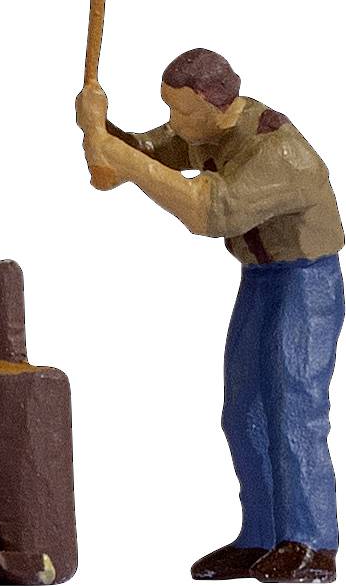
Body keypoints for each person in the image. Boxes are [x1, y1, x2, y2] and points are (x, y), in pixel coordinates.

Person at [78, 49, 343, 582]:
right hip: (261, 279)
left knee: (294, 410)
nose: (174, 124)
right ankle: (263, 536)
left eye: (180, 111)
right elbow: (131, 161)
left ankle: (312, 543)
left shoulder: (277, 150)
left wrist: (117, 154)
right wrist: (97, 128)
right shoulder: (203, 129)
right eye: (168, 110)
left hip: (305, 281)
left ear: (214, 104)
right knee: (243, 412)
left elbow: (209, 211)